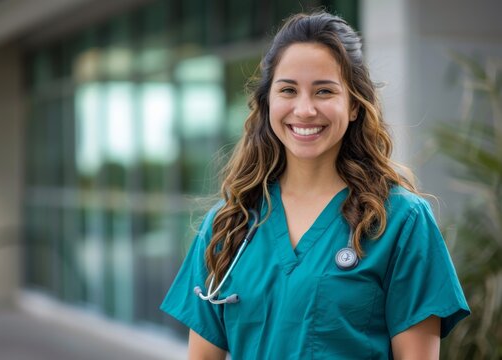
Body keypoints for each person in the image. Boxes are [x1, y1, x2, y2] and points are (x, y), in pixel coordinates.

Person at [161, 11, 470, 359]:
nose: (305, 109)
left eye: (324, 91)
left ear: (353, 105)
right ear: (267, 103)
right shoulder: (227, 224)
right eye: (288, 90)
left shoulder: (400, 221)